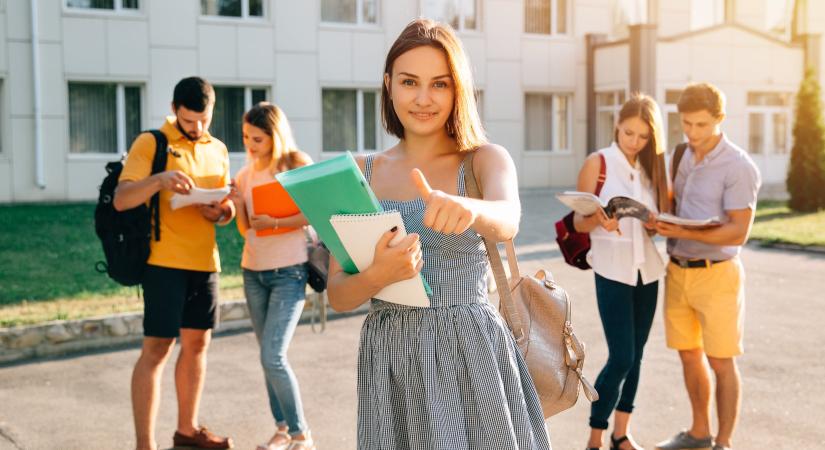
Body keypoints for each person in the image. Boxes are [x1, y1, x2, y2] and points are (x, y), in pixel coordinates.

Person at [326, 18, 551, 450]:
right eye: (410, 82)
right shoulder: (360, 172)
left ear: (458, 90)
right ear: (389, 84)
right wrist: (381, 274)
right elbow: (338, 295)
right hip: (390, 355)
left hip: (471, 349)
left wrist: (468, 207)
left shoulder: (484, 159)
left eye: (440, 84)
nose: (424, 99)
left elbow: (508, 218)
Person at [114, 76, 235, 450]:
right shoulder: (151, 142)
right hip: (163, 261)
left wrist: (220, 211)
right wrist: (159, 180)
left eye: (203, 120)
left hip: (205, 262)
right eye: (188, 121)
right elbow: (121, 198)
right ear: (173, 110)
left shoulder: (218, 148)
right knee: (157, 348)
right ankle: (144, 445)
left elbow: (228, 207)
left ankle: (187, 430)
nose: (197, 128)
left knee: (197, 345)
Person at [654, 83, 761, 450]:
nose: (693, 133)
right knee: (688, 354)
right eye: (686, 123)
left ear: (720, 119)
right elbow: (674, 203)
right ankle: (700, 432)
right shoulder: (681, 153)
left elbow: (738, 232)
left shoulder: (739, 165)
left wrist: (681, 227)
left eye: (701, 125)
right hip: (678, 270)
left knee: (721, 361)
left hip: (718, 274)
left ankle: (724, 442)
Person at [574, 94, 669, 450]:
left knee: (638, 356)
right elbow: (578, 221)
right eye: (629, 132)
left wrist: (657, 224)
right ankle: (595, 436)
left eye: (643, 136)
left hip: (648, 272)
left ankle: (621, 434)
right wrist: (598, 219)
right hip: (612, 270)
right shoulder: (598, 162)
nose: (634, 141)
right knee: (622, 356)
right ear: (618, 124)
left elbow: (654, 224)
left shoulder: (651, 168)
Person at [225, 102, 315, 450]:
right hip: (253, 271)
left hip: (289, 272)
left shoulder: (295, 164)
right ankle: (282, 429)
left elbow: (313, 213)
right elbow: (246, 229)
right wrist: (238, 204)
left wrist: (278, 222)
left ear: (274, 136)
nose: (249, 144)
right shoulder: (245, 174)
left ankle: (300, 434)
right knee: (267, 355)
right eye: (246, 136)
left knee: (273, 356)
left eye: (257, 138)